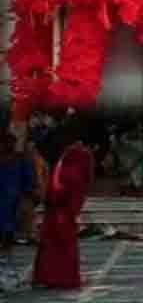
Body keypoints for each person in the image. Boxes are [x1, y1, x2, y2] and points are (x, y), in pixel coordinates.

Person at [33, 121, 94, 290]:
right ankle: (53, 277)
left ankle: (59, 278)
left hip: (63, 206)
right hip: (58, 206)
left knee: (59, 243)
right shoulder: (68, 155)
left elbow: (76, 182)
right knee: (56, 243)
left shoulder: (78, 155)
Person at [0, 134, 32, 290]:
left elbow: (28, 186)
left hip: (11, 209)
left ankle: (7, 276)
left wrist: (24, 206)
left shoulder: (21, 162)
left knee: (7, 243)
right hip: (7, 207)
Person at [16, 140, 47, 245]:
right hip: (31, 190)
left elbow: (41, 176)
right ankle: (29, 233)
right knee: (27, 211)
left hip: (33, 191)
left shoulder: (35, 160)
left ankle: (30, 234)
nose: (29, 150)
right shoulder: (29, 160)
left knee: (27, 210)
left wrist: (39, 189)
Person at [116, 125, 143, 193]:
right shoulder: (127, 143)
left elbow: (141, 156)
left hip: (136, 169)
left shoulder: (140, 143)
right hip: (129, 168)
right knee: (125, 186)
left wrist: (132, 166)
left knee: (138, 185)